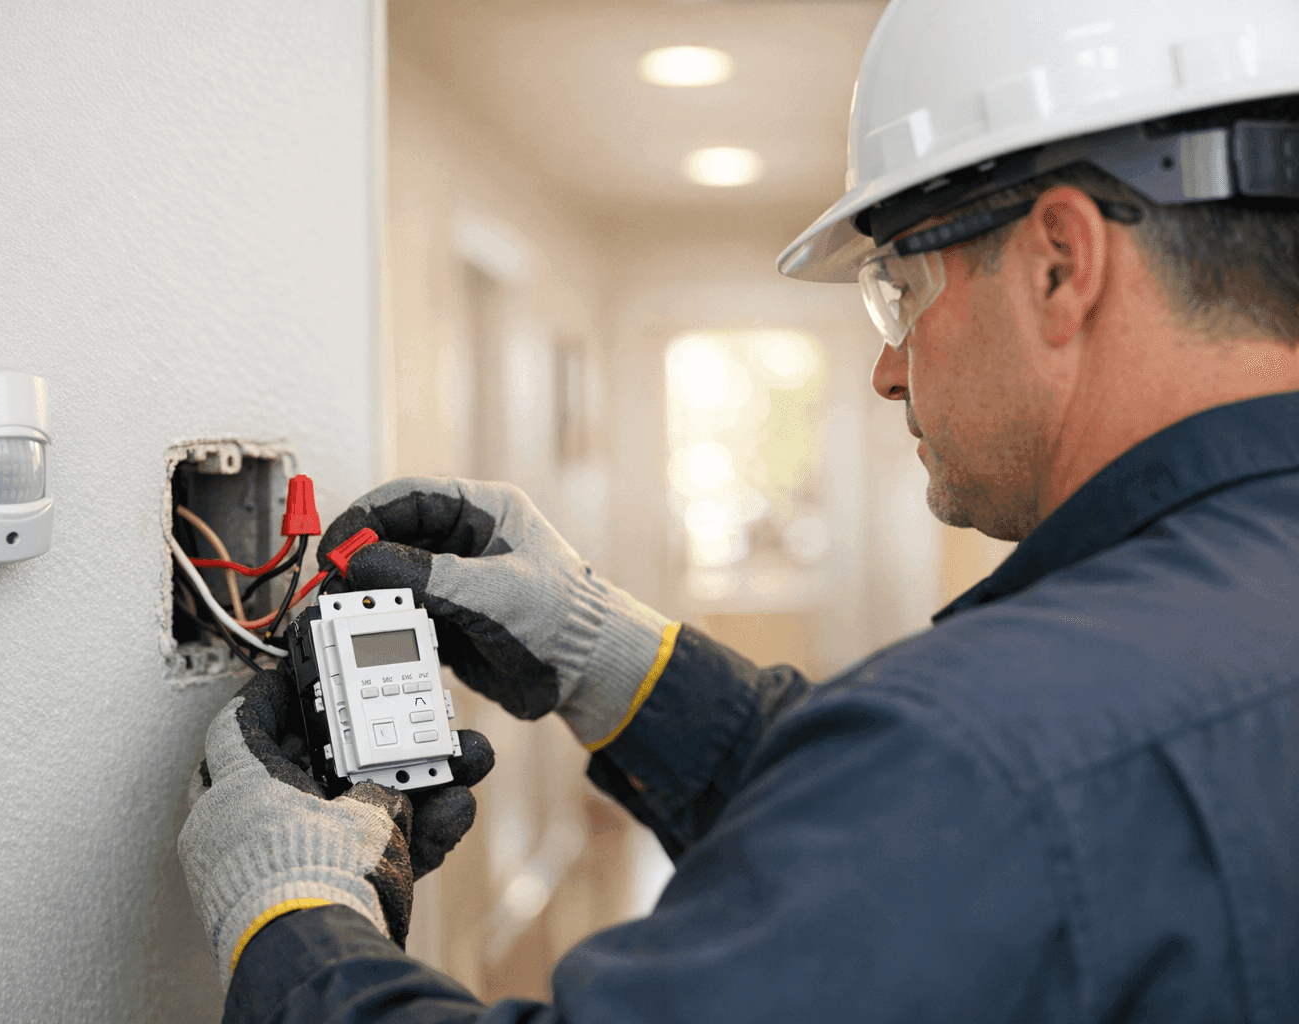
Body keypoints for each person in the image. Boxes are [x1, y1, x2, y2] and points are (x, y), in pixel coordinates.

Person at [178, 0, 1299, 1019]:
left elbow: (964, 806)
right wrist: (600, 650)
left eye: (901, 290)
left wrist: (291, 907)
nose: (888, 373)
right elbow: (908, 854)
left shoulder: (989, 756)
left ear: (1060, 264)